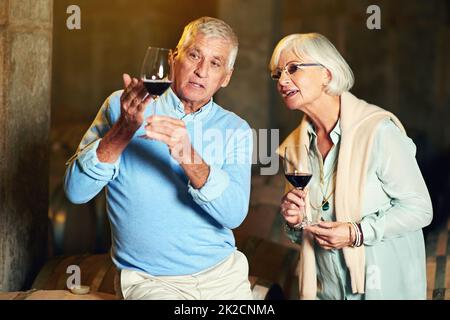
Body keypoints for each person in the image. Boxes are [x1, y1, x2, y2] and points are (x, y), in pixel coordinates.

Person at [64, 16, 254, 300]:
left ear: (226, 77)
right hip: (151, 281)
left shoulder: (236, 129)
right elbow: (75, 192)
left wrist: (187, 155)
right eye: (194, 55)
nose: (201, 71)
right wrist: (123, 130)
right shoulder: (124, 105)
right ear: (174, 58)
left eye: (215, 63)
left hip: (223, 278)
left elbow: (233, 214)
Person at [272, 33, 433, 300]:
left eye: (293, 68)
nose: (282, 81)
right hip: (328, 293)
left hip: (383, 291)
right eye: (277, 74)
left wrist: (356, 233)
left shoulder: (378, 132)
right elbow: (303, 233)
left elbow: (420, 209)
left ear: (326, 74)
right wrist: (294, 221)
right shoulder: (294, 148)